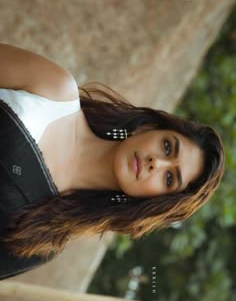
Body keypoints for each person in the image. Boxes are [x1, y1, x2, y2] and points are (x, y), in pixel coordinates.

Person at [0, 43, 225, 280]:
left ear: (155, 200)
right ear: (148, 128)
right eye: (167, 147)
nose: (155, 163)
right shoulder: (54, 91)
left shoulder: (43, 236)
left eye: (169, 178)